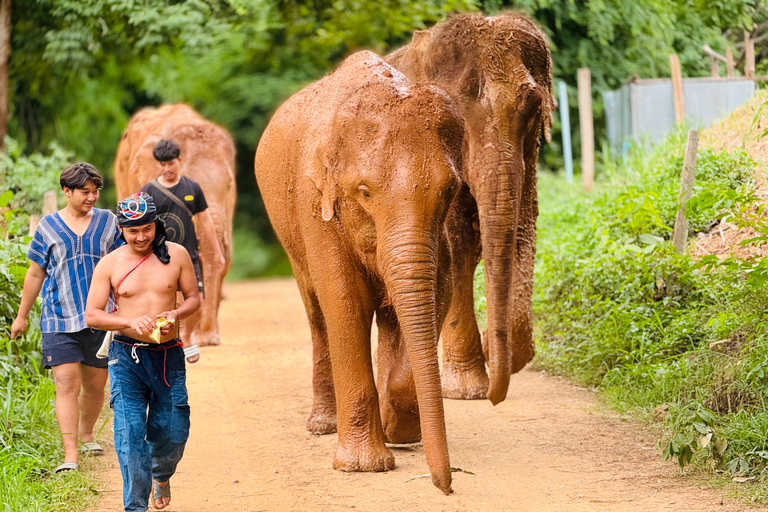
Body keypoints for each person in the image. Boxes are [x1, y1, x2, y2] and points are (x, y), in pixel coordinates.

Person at [86, 192, 200, 512]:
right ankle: (135, 505)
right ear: (121, 229)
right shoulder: (110, 263)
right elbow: (92, 314)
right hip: (126, 356)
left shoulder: (176, 255)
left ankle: (161, 474)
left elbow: (193, 298)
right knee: (130, 433)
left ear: (155, 225)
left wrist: (176, 314)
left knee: (174, 431)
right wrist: (129, 320)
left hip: (168, 355)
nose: (140, 236)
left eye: (146, 229)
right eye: (132, 230)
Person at [11, 162, 123, 473]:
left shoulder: (107, 221)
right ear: (67, 191)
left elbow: (124, 263)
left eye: (96, 191)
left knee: (96, 384)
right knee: (66, 384)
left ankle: (87, 432)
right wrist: (21, 316)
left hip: (101, 318)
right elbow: (35, 273)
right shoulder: (48, 226)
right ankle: (70, 453)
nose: (92, 197)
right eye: (85, 192)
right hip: (59, 318)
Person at [140, 139, 225, 363]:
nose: (167, 169)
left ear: (180, 160)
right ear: (157, 165)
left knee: (196, 299)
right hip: (158, 256)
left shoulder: (192, 188)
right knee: (160, 301)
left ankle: (186, 336)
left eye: (170, 163)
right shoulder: (148, 191)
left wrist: (217, 253)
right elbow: (139, 226)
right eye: (162, 164)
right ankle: (162, 342)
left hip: (188, 255)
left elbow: (204, 220)